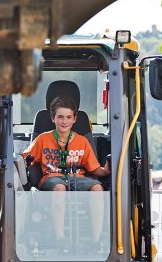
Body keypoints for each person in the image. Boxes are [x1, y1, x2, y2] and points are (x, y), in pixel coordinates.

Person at [23, 96, 110, 243]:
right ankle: (60, 238)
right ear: (53, 118)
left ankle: (97, 239)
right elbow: (25, 158)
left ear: (74, 119)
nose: (64, 121)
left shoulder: (82, 141)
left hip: (77, 178)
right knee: (59, 187)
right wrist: (23, 163)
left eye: (69, 117)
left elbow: (94, 169)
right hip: (52, 178)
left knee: (97, 187)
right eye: (60, 117)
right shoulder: (43, 139)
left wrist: (106, 170)